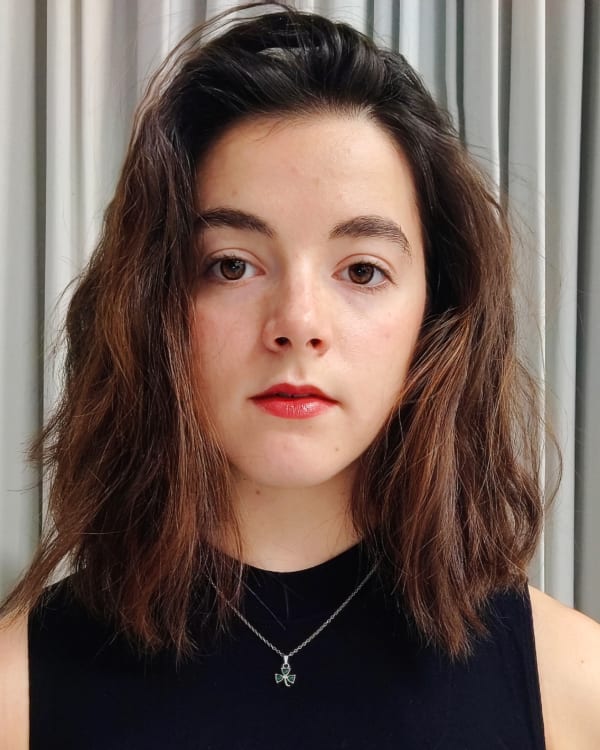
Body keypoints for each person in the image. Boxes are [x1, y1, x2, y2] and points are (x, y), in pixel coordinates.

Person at [1, 2, 599, 747]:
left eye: (362, 270)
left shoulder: (575, 689)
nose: (298, 322)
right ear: (151, 303)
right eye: (232, 265)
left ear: (436, 310)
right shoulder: (16, 692)